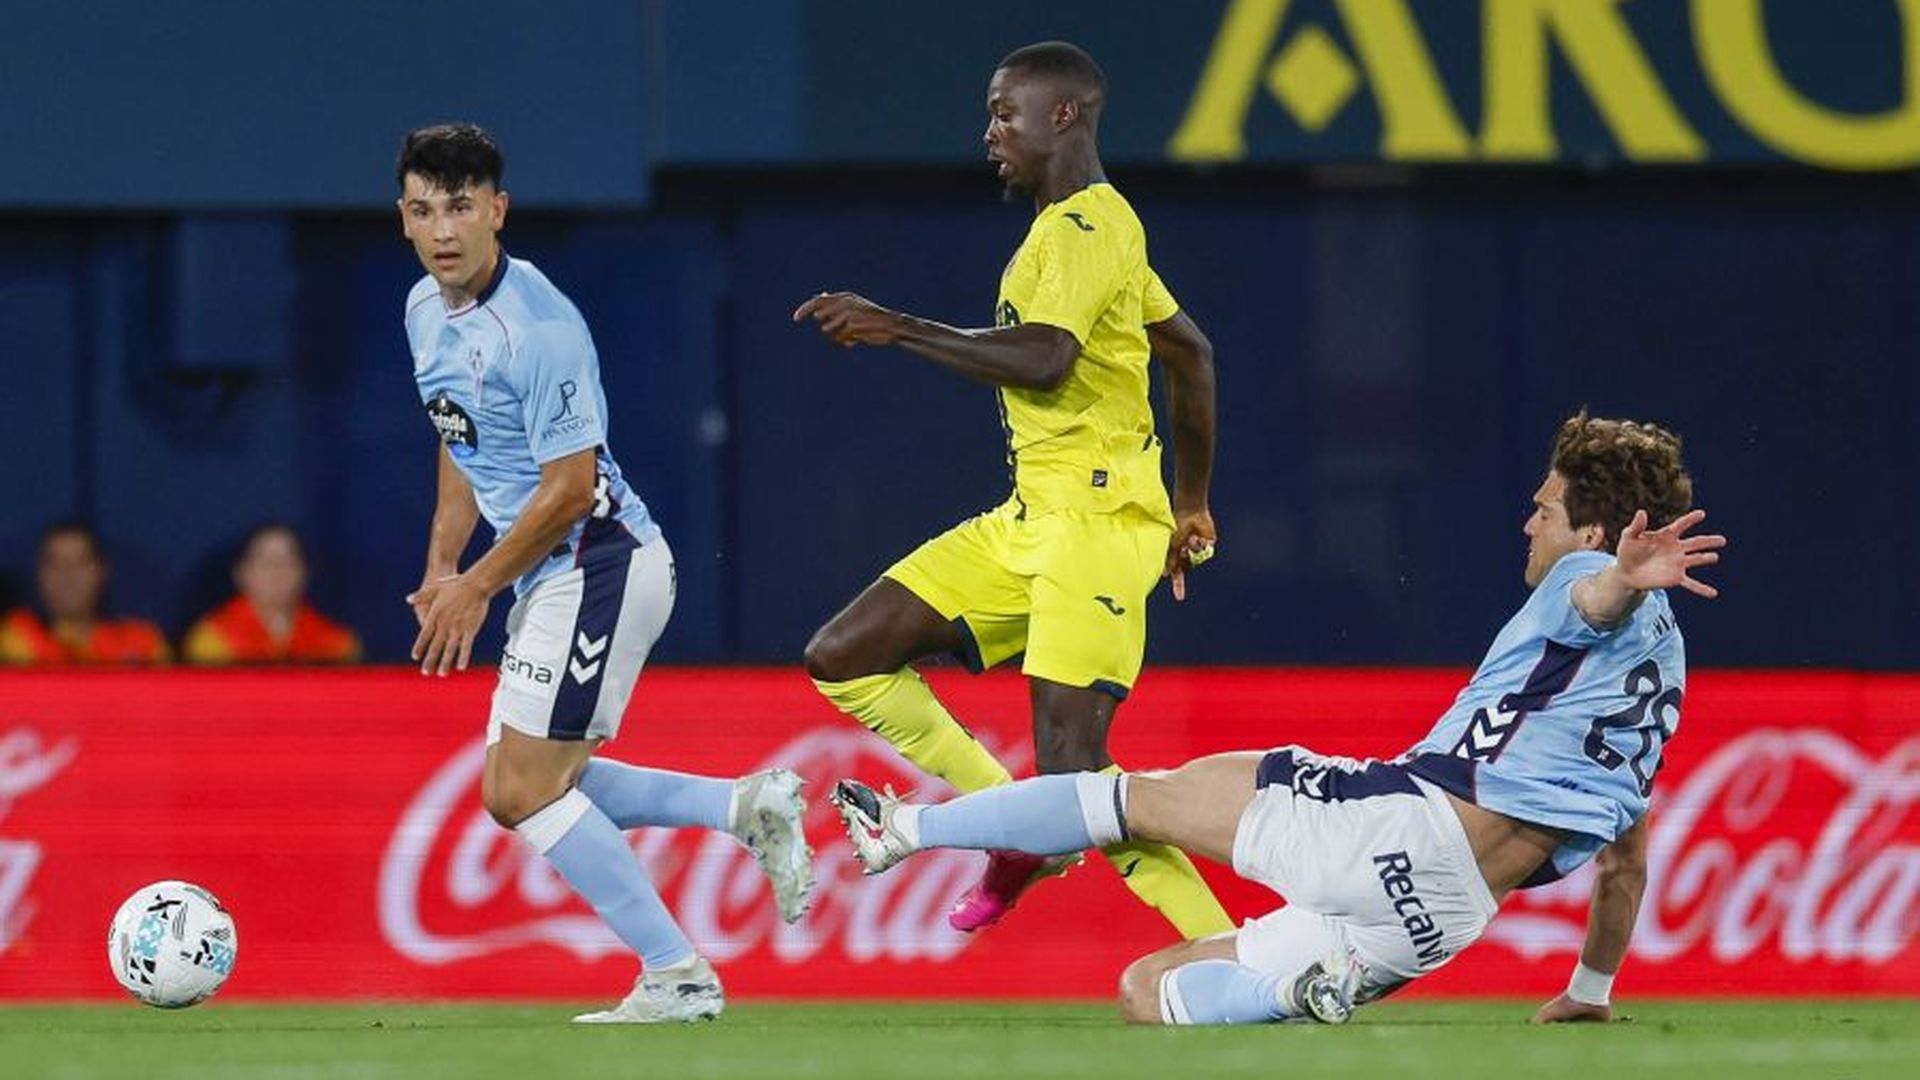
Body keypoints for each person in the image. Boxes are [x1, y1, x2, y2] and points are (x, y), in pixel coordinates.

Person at [831, 413, 1721, 1025]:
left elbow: (1595, 601)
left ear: (1597, 535)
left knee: (1124, 797)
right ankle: (1300, 994)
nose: (1528, 522)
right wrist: (1592, 990)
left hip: (1401, 830)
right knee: (1148, 991)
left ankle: (905, 828)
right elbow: (1626, 863)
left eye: (1546, 508)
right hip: (1438, 924)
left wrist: (1616, 580)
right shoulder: (1657, 691)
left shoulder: (1583, 582)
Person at [793, 41, 1230, 938]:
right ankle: (1022, 833)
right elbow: (1190, 352)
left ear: (1062, 116)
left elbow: (1045, 356)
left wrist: (895, 326)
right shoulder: (1079, 233)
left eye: (1004, 113)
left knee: (1079, 774)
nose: (989, 132)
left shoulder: (1090, 227)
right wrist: (1193, 501)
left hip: (1096, 527)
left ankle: (1234, 951)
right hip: (1031, 521)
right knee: (844, 656)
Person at [395, 123, 812, 1023]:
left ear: (497, 210)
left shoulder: (539, 329)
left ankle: (677, 974)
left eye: (462, 208)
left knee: (519, 791)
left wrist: (478, 588)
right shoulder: (424, 309)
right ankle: (744, 807)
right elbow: (456, 435)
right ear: (404, 217)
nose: (444, 230)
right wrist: (443, 560)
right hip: (551, 575)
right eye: (426, 209)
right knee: (527, 782)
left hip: (602, 563)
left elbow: (573, 489)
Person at [182, 523, 362, 664]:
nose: (277, 572)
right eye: (266, 562)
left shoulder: (338, 643)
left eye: (287, 561)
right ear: (241, 573)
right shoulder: (212, 640)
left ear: (304, 572)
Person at [0, 522, 169, 665]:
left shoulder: (143, 643)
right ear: (39, 574)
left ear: (102, 572)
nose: (68, 576)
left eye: (81, 563)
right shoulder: (18, 640)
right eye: (55, 564)